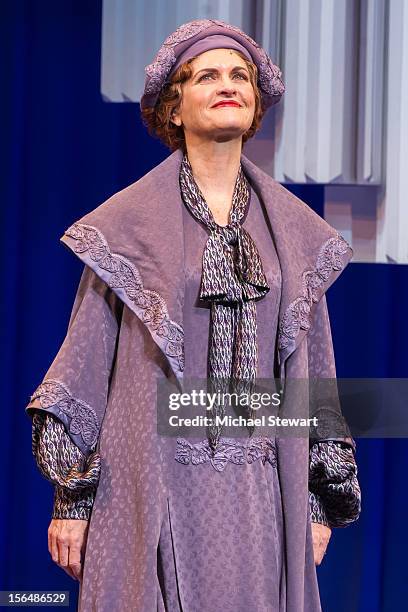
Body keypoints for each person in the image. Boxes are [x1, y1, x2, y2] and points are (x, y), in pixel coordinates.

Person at [26, 19, 361, 612]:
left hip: (258, 489)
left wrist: (315, 501)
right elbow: (82, 367)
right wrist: (73, 502)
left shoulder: (295, 234)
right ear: (174, 107)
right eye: (206, 75)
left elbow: (314, 375)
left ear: (256, 102)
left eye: (240, 76)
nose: (227, 84)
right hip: (151, 477)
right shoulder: (125, 228)